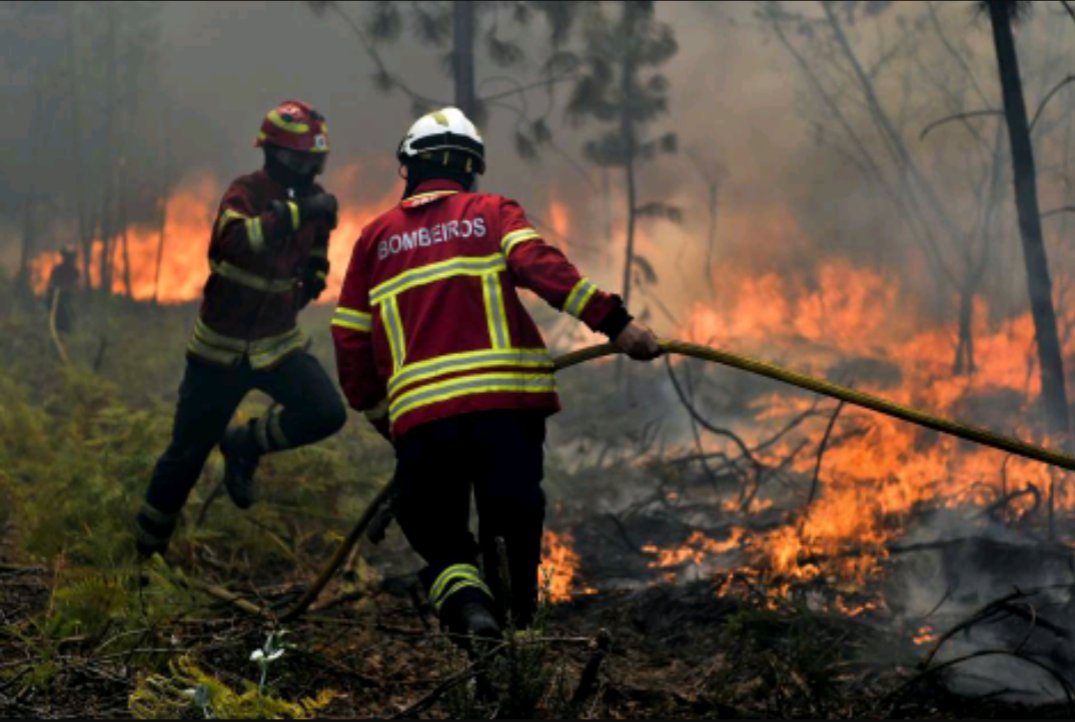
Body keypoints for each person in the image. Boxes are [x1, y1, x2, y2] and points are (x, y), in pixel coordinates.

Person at [331, 107, 662, 643]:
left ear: (409, 168)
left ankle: (467, 609)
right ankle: (516, 647)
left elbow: (349, 337)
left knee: (439, 536)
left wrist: (379, 412)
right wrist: (615, 323)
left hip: (424, 424)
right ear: (470, 169)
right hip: (505, 415)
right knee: (511, 531)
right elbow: (543, 267)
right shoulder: (491, 212)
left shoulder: (374, 239)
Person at [135, 100, 347, 558]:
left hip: (277, 348)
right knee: (184, 458)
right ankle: (144, 560)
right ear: (277, 155)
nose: (311, 168)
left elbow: (316, 257)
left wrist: (312, 277)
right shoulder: (246, 192)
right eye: (304, 159)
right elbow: (231, 243)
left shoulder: (314, 203)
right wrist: (290, 216)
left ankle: (243, 445)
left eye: (317, 159)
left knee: (326, 411)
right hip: (218, 355)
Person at [45, 246, 80, 333]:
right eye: (68, 257)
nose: (70, 259)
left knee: (68, 322)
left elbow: (74, 287)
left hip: (67, 301)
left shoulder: (74, 272)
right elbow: (52, 285)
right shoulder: (57, 270)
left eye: (71, 257)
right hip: (56, 301)